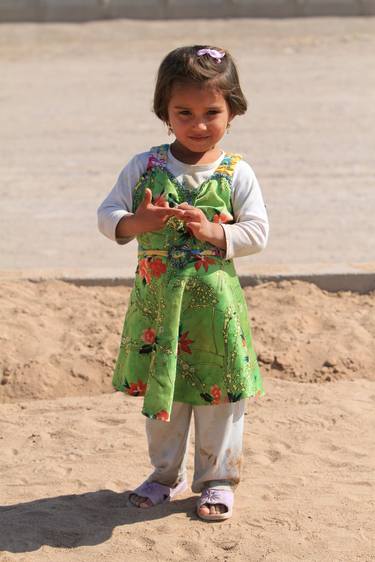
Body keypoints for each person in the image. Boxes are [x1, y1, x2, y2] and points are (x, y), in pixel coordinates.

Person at [97, 45, 269, 521]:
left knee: (219, 397)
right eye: (184, 113)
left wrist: (214, 231)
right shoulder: (143, 167)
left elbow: (257, 232)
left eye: (212, 112)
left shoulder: (237, 172)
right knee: (165, 396)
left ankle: (217, 481)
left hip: (214, 314)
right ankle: (161, 476)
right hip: (158, 311)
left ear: (233, 111)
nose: (198, 124)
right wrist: (138, 222)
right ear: (164, 113)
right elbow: (106, 216)